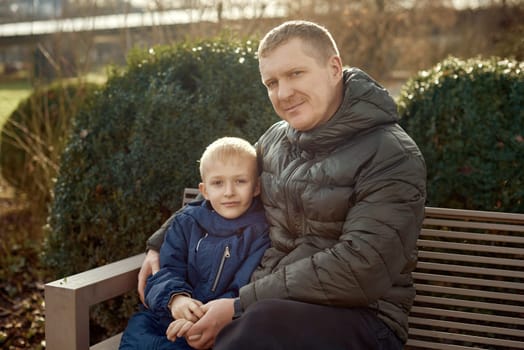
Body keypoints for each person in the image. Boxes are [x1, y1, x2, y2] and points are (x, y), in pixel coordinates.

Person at [139, 20, 427, 350]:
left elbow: (362, 267)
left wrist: (237, 306)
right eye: (271, 82)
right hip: (266, 308)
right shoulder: (276, 140)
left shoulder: (391, 154)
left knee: (260, 326)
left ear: (334, 68)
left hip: (365, 320)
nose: (284, 93)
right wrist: (161, 241)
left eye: (295, 74)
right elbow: (225, 188)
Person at [120, 136, 270, 349]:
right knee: (140, 337)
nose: (229, 192)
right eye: (218, 183)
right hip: (165, 316)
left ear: (256, 187)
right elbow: (166, 270)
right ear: (204, 191)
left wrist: (199, 316)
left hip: (218, 326)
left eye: (240, 181)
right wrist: (177, 300)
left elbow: (244, 288)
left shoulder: (260, 234)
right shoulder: (187, 223)